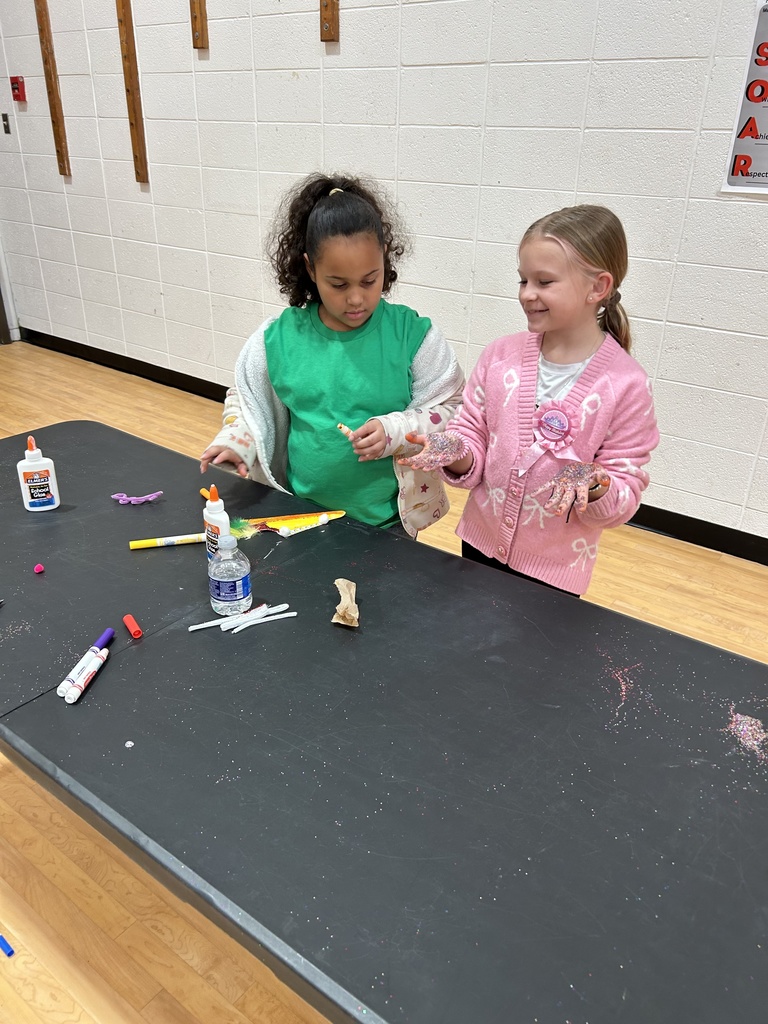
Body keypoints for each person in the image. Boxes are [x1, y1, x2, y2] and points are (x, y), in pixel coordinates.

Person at [399, 205, 660, 594]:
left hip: (554, 571)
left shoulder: (626, 385)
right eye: (523, 280)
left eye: (545, 281)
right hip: (478, 544)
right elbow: (471, 434)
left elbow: (625, 488)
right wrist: (453, 449)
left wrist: (594, 482)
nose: (527, 294)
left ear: (598, 287)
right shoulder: (500, 357)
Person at [200, 172, 465, 536]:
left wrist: (396, 430)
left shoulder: (413, 336)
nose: (356, 299)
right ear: (310, 268)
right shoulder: (278, 339)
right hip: (299, 516)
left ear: (385, 258)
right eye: (338, 284)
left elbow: (453, 413)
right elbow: (246, 404)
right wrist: (237, 443)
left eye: (369, 280)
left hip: (387, 524)